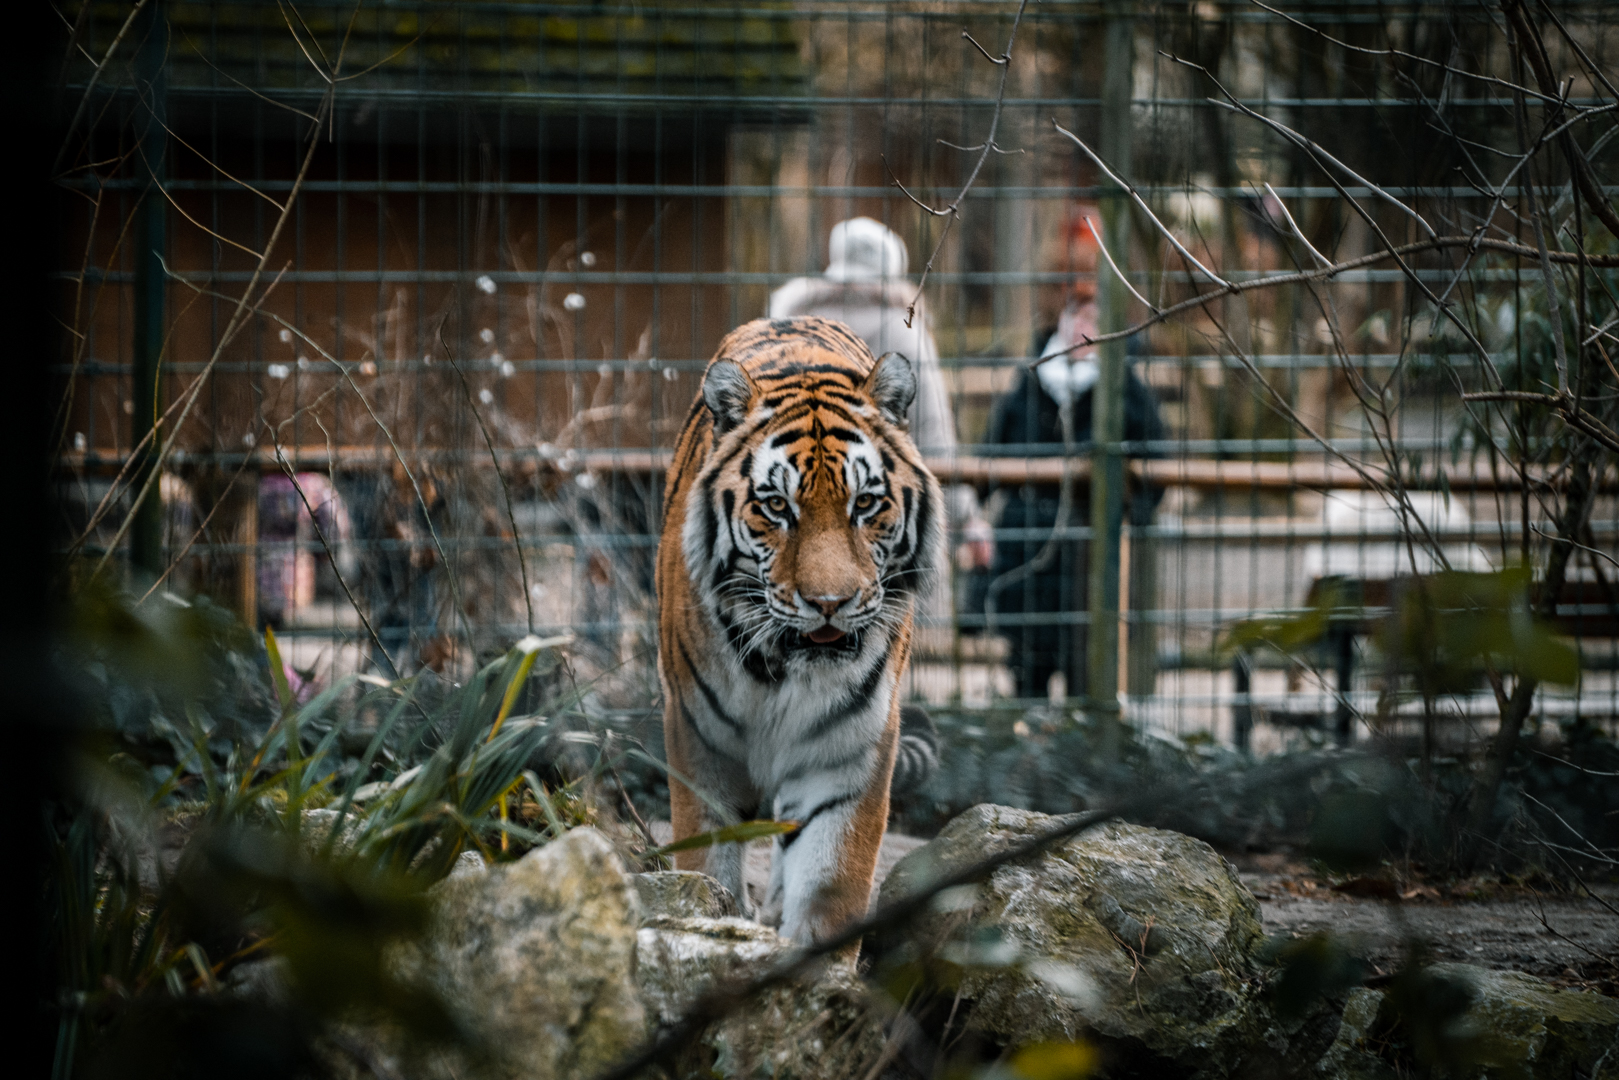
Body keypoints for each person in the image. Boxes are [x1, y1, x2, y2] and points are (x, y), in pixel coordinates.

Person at [768, 217, 993, 631]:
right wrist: (967, 518)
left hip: (797, 522)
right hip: (884, 523)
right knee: (901, 648)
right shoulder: (904, 330)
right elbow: (932, 434)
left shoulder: (789, 326)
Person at [981, 211, 1165, 700]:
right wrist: (972, 517)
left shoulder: (1126, 389)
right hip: (1027, 557)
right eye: (1076, 311)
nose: (1083, 325)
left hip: (1092, 558)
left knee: (1090, 680)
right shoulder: (1029, 382)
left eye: (1094, 315)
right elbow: (989, 456)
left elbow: (1157, 465)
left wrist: (1128, 514)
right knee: (1028, 683)